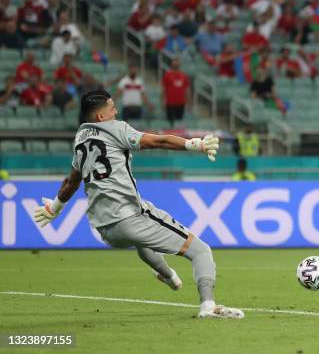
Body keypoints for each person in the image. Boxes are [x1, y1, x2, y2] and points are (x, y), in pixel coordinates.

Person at [32, 90, 244, 319]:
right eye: (112, 107)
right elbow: (158, 140)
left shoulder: (80, 139)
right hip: (129, 216)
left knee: (143, 235)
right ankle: (208, 306)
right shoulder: (115, 128)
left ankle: (168, 275)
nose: (116, 110)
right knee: (201, 250)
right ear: (101, 116)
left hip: (104, 228)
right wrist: (195, 145)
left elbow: (72, 181)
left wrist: (55, 207)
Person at [161, 58, 190, 126]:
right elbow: (163, 89)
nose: (176, 63)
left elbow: (187, 90)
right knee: (170, 124)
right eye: (175, 61)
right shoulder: (167, 75)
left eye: (177, 61)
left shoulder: (184, 75)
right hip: (170, 103)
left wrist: (188, 103)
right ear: (172, 63)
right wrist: (162, 101)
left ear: (180, 63)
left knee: (179, 123)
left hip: (181, 103)